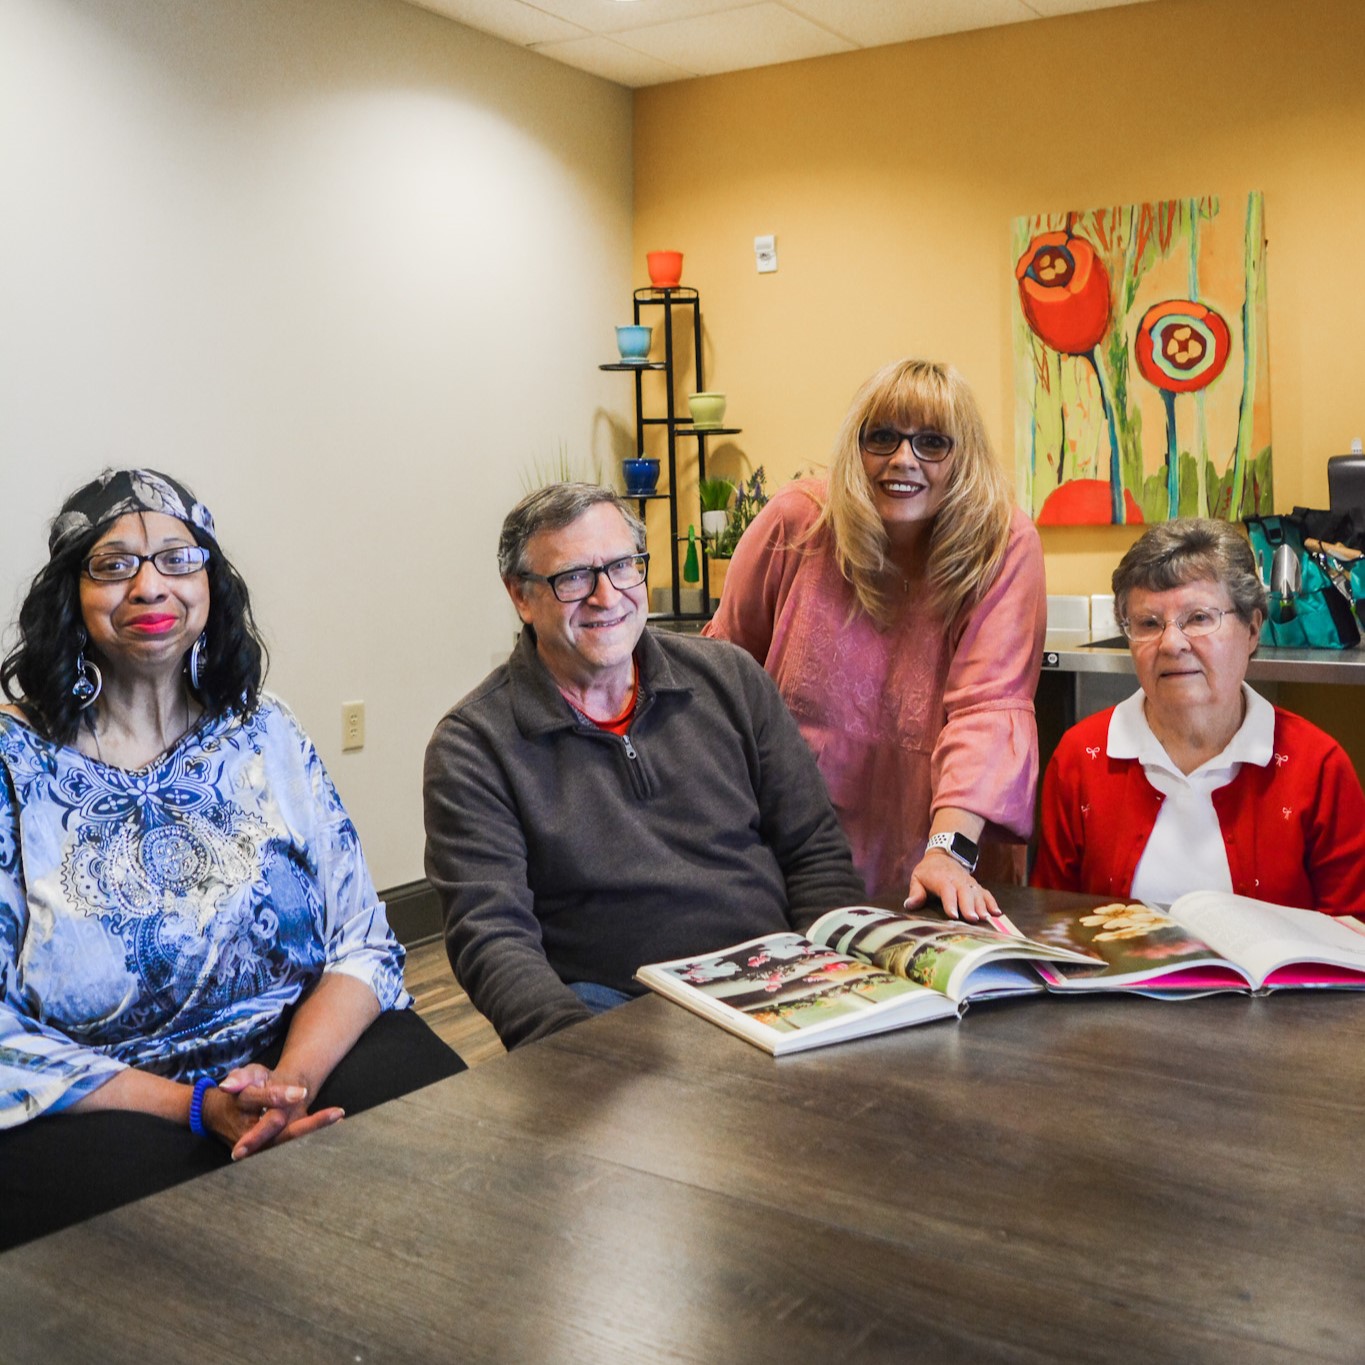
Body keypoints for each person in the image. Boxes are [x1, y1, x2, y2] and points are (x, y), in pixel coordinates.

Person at [0, 469, 463, 1248]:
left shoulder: (266, 729)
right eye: (113, 565)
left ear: (211, 582)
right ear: (69, 597)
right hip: (104, 1090)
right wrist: (195, 1104)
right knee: (167, 1246)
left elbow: (362, 940)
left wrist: (288, 1085)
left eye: (178, 559)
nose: (150, 586)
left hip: (288, 1049)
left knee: (449, 1140)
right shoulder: (14, 760)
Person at [423, 482, 865, 1050]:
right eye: (573, 577)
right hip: (616, 1010)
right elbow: (492, 937)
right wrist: (575, 1051)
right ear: (521, 597)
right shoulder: (474, 747)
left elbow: (815, 853)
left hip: (781, 980)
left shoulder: (730, 680)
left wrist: (832, 977)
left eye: (624, 567)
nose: (607, 597)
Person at [705, 358, 1046, 922]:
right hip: (793, 839)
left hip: (940, 837)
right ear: (855, 447)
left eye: (932, 442)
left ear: (964, 458)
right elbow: (722, 679)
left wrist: (947, 853)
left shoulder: (1002, 544)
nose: (902, 459)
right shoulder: (796, 522)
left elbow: (988, 710)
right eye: (882, 437)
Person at [1032, 517, 1365, 912]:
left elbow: (1352, 939)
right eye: (1148, 624)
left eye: (1200, 618)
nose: (1172, 643)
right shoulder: (1080, 759)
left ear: (1252, 630)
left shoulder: (1317, 768)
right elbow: (1053, 927)